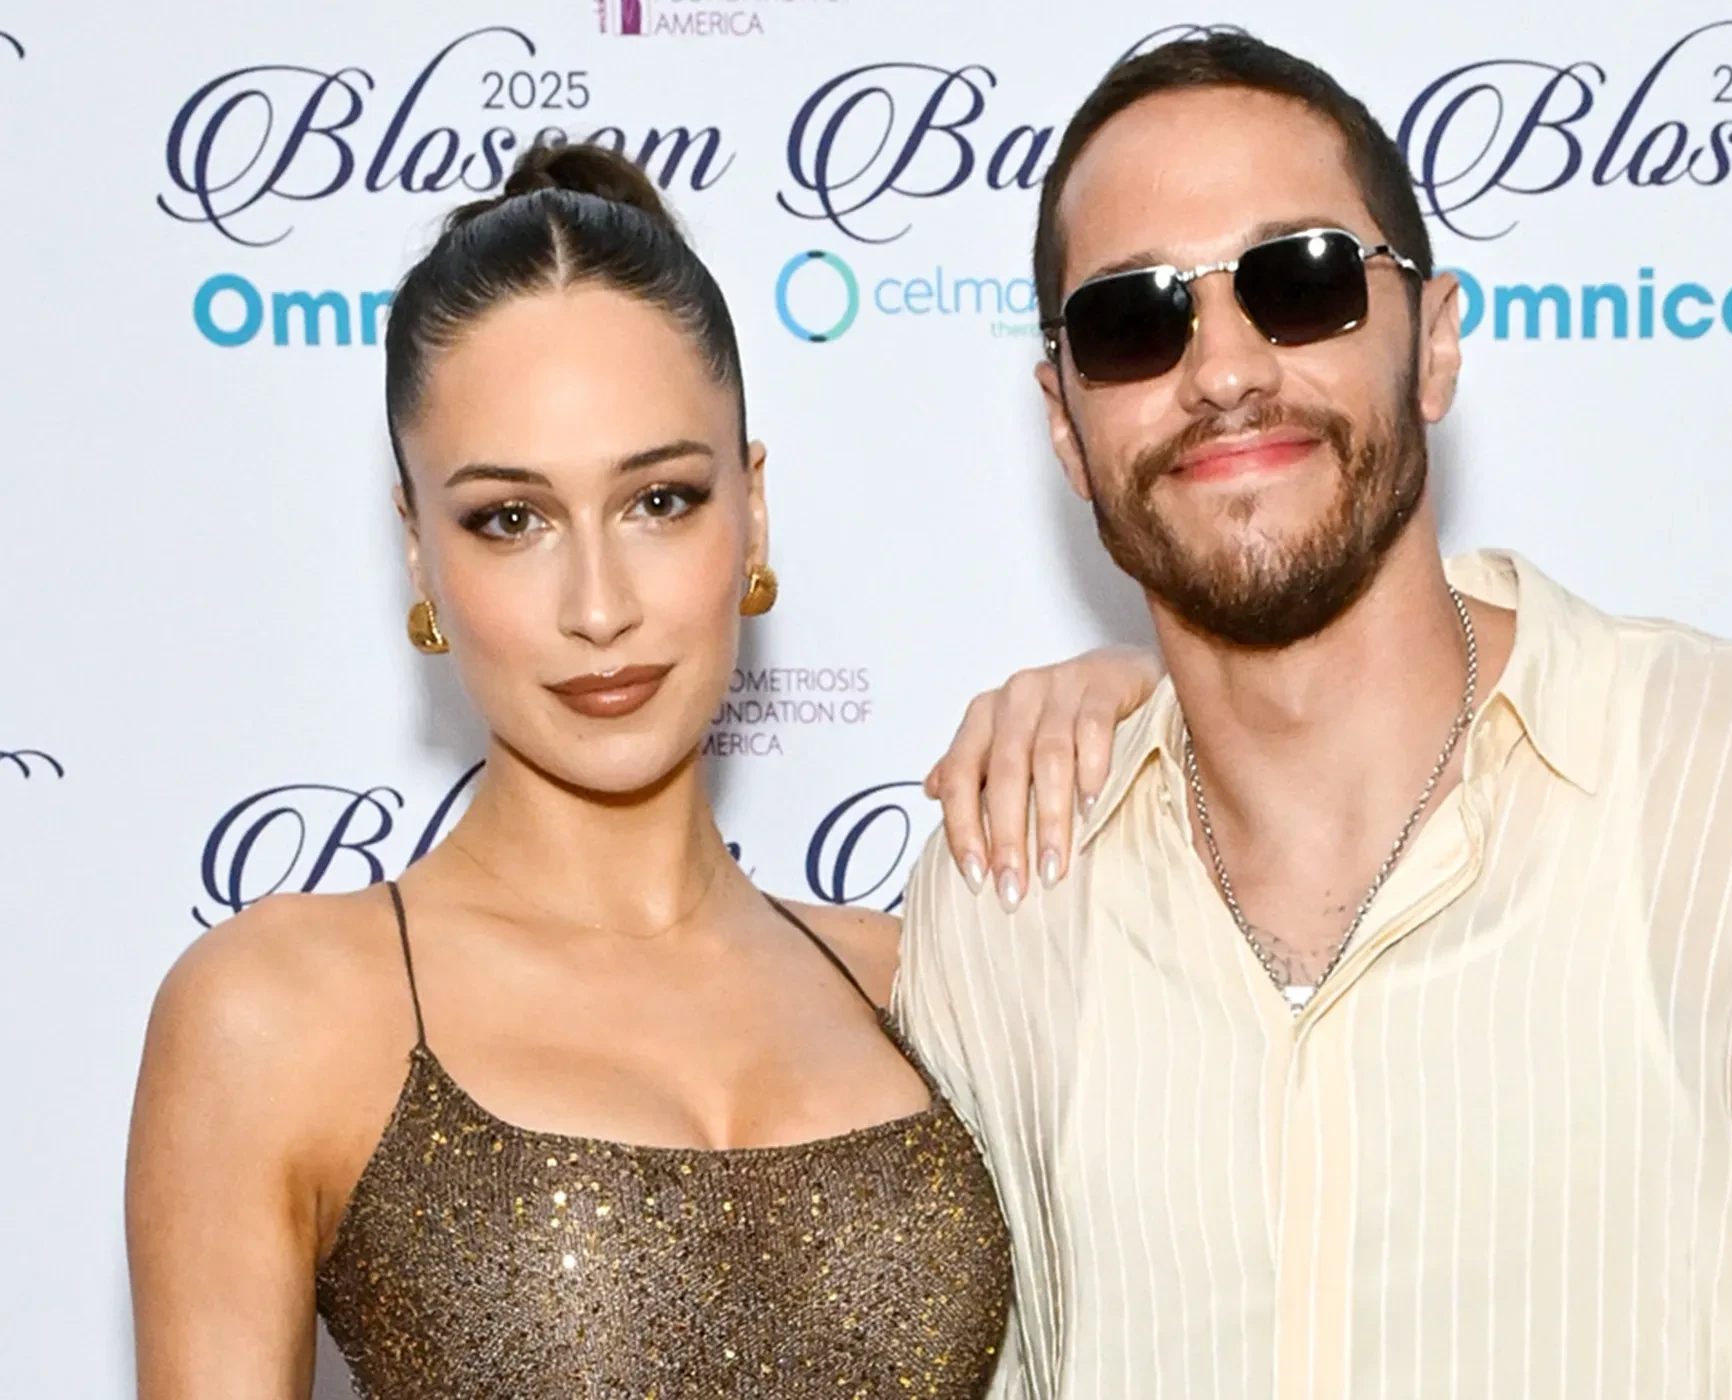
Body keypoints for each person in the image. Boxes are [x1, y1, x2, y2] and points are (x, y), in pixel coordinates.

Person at [901, 32, 1732, 1399]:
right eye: (1133, 320)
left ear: (1432, 343)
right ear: (1067, 425)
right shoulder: (1008, 896)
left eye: (1301, 281)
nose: (1225, 369)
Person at [124, 143, 1139, 1400]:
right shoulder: (280, 1011)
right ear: (418, 548)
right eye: (511, 518)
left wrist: (1154, 699)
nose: (598, 605)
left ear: (751, 509)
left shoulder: (920, 978)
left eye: (659, 500)